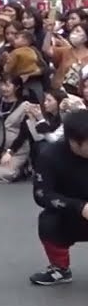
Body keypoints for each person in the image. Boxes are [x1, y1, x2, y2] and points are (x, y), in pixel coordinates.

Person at [30, 109, 88, 286]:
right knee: (49, 222)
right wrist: (79, 207)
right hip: (71, 212)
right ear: (73, 142)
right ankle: (60, 269)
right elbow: (42, 195)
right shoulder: (50, 156)